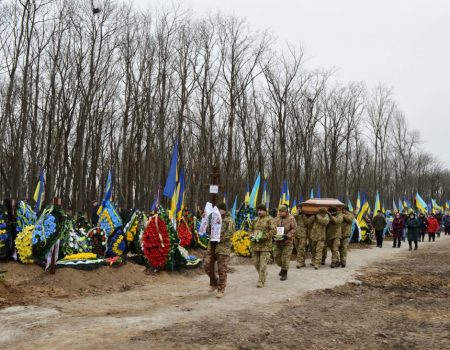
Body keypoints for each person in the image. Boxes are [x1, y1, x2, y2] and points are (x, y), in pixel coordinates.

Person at [203, 202, 235, 298]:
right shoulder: (214, 218)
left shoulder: (229, 220)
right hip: (212, 247)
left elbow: (230, 234)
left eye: (219, 210)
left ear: (223, 210)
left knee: (222, 269)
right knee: (207, 264)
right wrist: (207, 227)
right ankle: (214, 283)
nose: (217, 211)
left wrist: (217, 238)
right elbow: (209, 230)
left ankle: (221, 289)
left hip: (223, 248)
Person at [249, 204, 276, 288]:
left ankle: (261, 281)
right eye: (258, 210)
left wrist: (263, 237)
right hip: (255, 245)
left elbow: (274, 230)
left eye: (261, 210)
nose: (259, 212)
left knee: (263, 264)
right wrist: (251, 235)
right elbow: (250, 229)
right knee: (256, 263)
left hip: (265, 246)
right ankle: (264, 273)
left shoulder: (270, 219)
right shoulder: (255, 219)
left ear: (265, 211)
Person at [274, 205, 297, 281]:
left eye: (282, 211)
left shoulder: (291, 218)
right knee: (276, 257)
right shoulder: (277, 218)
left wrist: (287, 236)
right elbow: (273, 227)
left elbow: (294, 229)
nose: (280, 213)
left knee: (285, 258)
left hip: (287, 242)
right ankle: (283, 268)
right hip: (278, 241)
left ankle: (284, 272)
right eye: (279, 211)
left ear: (286, 212)